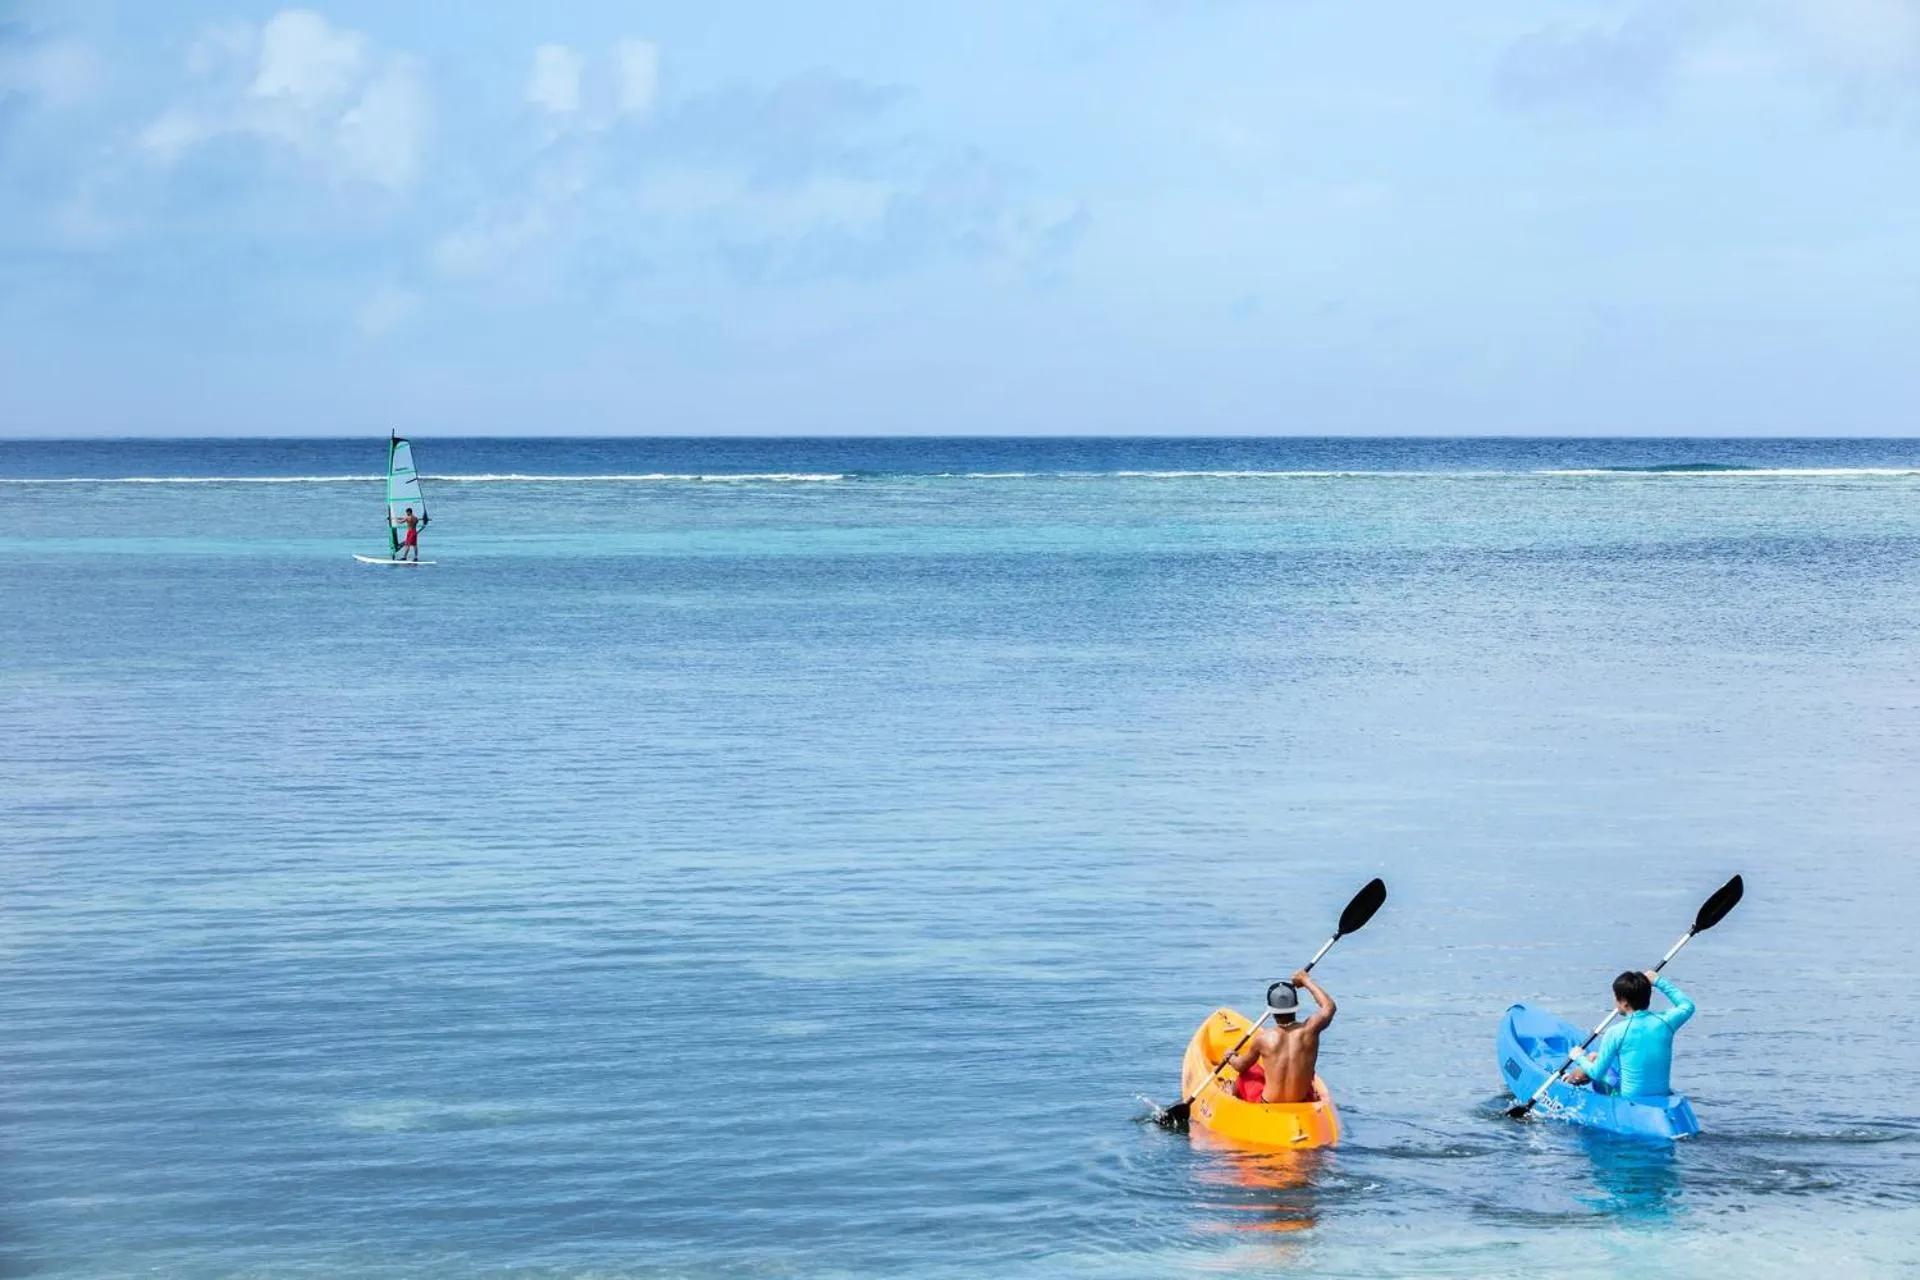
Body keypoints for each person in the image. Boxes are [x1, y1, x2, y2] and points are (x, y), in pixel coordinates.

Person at [1564, 969, 1694, 1099]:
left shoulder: (1615, 1032)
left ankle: (1567, 1081)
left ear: (1625, 1004)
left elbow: (1597, 1073)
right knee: (1604, 1058)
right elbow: (1688, 1005)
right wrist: (1658, 981)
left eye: (1616, 998)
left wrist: (1578, 1057)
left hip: (1628, 1099)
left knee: (1591, 1058)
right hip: (1661, 1095)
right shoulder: (1666, 1022)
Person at [1220, 970, 1336, 1104]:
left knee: (1250, 1071)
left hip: (1269, 1103)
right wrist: (1306, 980)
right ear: (1295, 1007)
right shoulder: (1310, 1030)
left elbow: (1240, 1066)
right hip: (1301, 1101)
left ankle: (1231, 1094)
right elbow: (1329, 1007)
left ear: (1271, 1011)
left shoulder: (1263, 1039)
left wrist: (1230, 1056)